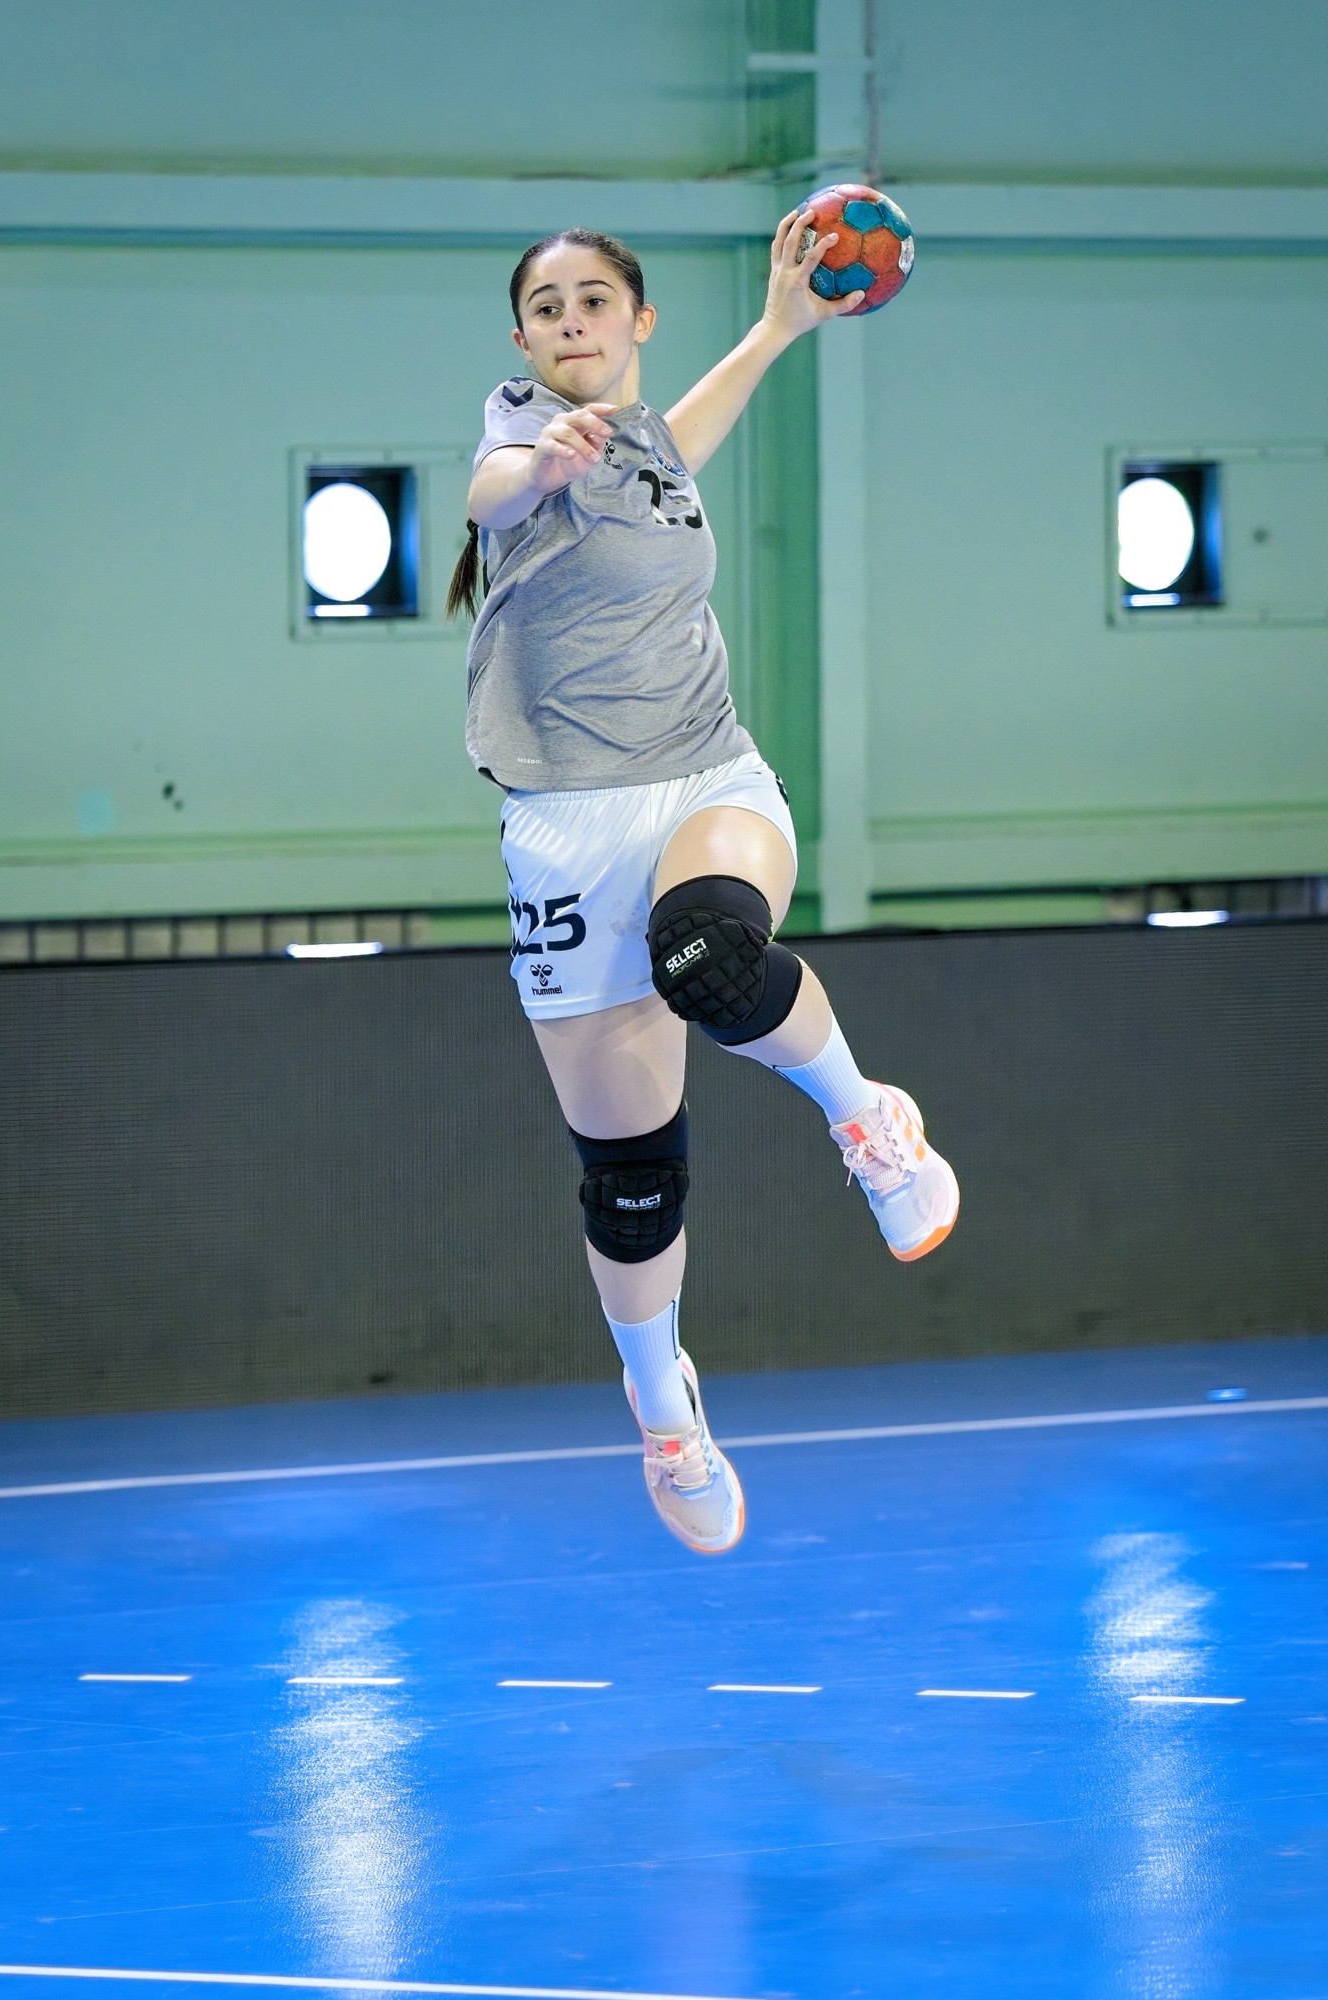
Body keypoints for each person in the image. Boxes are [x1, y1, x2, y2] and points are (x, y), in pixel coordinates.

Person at [448, 213, 959, 1556]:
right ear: (522, 338)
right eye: (547, 306)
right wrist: (537, 462)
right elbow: (489, 492)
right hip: (565, 833)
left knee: (712, 958)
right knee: (631, 1186)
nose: (571, 320)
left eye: (595, 299)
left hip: (704, 780)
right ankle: (664, 1404)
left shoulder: (651, 453)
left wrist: (781, 327)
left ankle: (867, 1123)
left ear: (638, 319)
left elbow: (683, 435)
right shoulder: (524, 432)